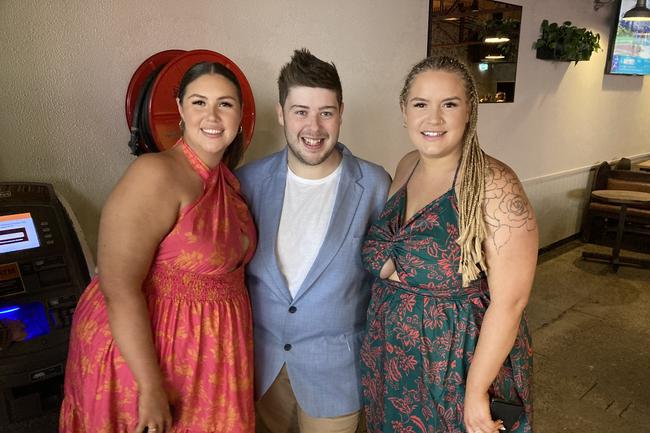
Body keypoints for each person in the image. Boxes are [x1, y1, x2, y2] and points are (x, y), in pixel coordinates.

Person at [59, 62, 257, 433]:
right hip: (148, 357)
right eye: (199, 102)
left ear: (240, 115)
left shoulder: (227, 181)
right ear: (180, 109)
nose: (212, 116)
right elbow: (118, 288)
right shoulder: (155, 174)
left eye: (225, 104)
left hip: (210, 354)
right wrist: (149, 385)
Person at [360, 56, 537, 433]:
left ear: (470, 111)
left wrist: (475, 391)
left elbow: (511, 302)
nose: (433, 119)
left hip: (455, 362)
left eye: (449, 104)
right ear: (404, 112)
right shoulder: (407, 165)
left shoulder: (495, 185)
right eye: (421, 104)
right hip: (391, 356)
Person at [236, 48, 391, 433]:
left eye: (326, 112)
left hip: (336, 373)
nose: (314, 127)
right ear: (280, 113)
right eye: (300, 111)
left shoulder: (375, 184)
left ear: (341, 112)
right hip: (262, 370)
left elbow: (386, 279)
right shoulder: (248, 181)